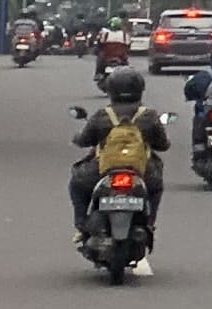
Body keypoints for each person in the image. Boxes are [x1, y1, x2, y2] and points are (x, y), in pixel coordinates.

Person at [68, 65, 169, 243]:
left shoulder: (103, 115)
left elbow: (84, 139)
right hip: (142, 171)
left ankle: (81, 225)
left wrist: (76, 138)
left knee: (77, 184)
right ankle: (149, 223)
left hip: (102, 170)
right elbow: (162, 144)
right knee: (156, 188)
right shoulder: (149, 116)